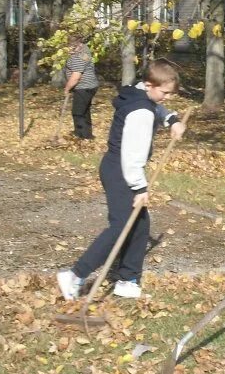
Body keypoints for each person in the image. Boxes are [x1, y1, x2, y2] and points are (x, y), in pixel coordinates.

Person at [57, 59, 185, 301]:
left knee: (139, 224)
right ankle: (75, 275)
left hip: (115, 166)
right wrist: (140, 187)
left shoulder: (137, 95)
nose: (167, 97)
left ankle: (128, 280)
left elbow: (156, 107)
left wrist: (172, 120)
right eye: (165, 93)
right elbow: (132, 154)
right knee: (121, 226)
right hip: (122, 170)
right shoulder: (141, 112)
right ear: (149, 84)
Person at [64, 35, 99, 140]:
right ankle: (88, 135)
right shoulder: (85, 50)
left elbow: (76, 77)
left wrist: (67, 88)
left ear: (75, 45)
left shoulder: (77, 57)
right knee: (85, 111)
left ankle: (81, 136)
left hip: (83, 87)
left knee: (78, 112)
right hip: (91, 86)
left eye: (70, 46)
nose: (69, 48)